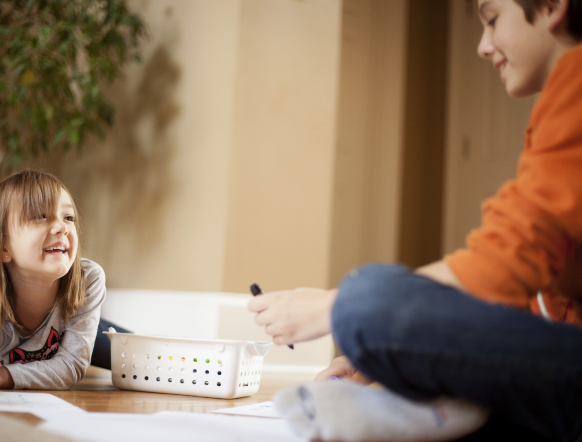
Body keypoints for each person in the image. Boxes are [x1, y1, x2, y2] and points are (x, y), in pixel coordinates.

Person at [248, 0, 582, 440]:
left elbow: (502, 262)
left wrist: (335, 306)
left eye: (493, 19)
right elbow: (534, 293)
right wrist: (408, 354)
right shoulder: (558, 105)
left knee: (369, 299)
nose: (483, 47)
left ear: (554, 7)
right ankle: (430, 407)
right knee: (378, 315)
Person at [0, 171, 128, 403]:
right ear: (3, 247)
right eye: (40, 215)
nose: (62, 227)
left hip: (72, 320)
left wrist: (1, 376)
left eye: (68, 217)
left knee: (134, 356)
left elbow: (70, 366)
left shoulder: (87, 278)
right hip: (1, 312)